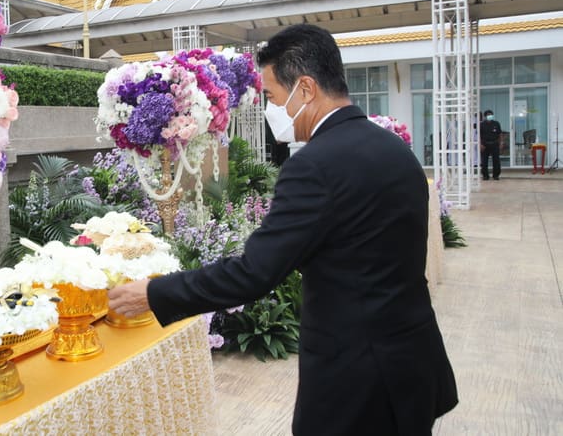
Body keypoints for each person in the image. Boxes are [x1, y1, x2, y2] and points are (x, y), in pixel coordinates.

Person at [109, 24, 458, 435]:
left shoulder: (313, 166)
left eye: (273, 97)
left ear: (305, 88)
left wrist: (154, 293)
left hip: (358, 380)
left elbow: (254, 273)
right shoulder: (396, 150)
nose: (273, 109)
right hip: (413, 362)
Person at [479, 109, 502, 180]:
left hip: (494, 144)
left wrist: (501, 143)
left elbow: (500, 134)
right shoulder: (481, 124)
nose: (490, 116)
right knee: (484, 161)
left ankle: (496, 175)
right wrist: (480, 144)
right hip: (484, 145)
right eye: (488, 115)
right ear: (485, 116)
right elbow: (479, 135)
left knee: (496, 161)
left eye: (491, 115)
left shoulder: (496, 123)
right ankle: (485, 175)